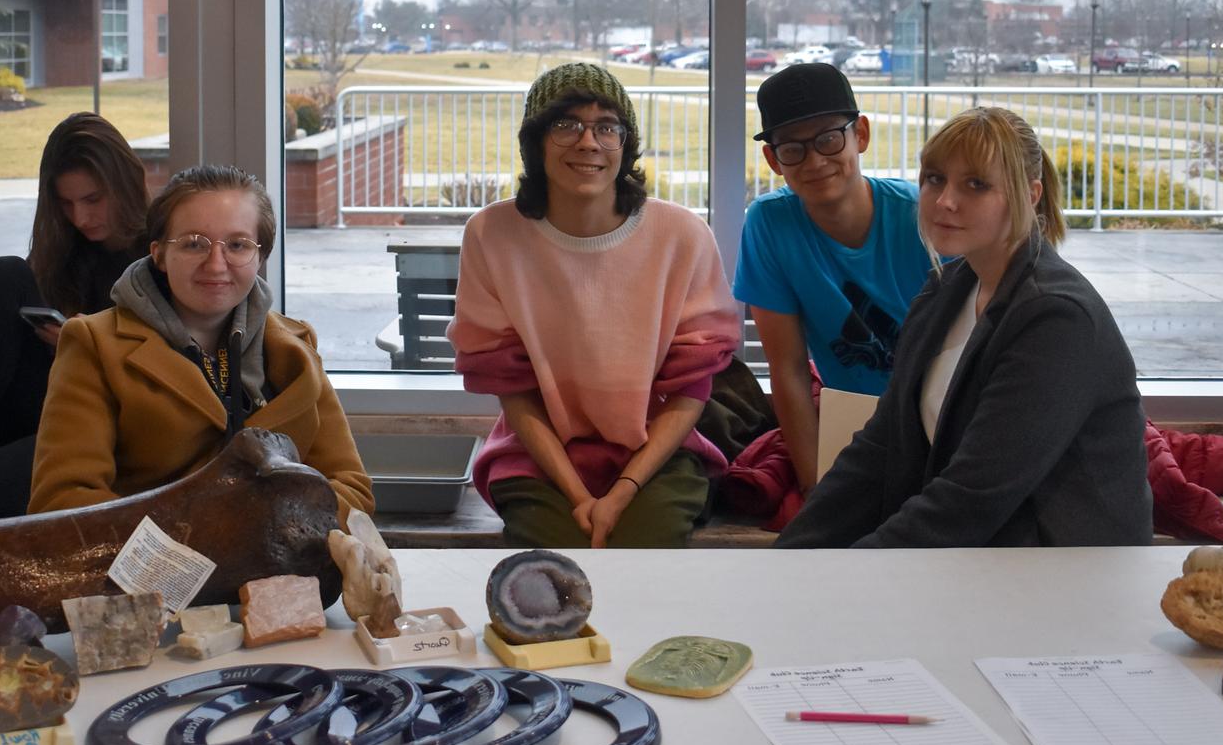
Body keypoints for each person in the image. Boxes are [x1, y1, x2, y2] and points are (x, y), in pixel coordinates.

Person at [774, 107, 1152, 548]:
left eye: (976, 184)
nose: (945, 201)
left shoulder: (1057, 318)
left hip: (1061, 571)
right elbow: (879, 449)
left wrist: (854, 571)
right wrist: (791, 558)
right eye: (934, 178)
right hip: (983, 555)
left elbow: (973, 497)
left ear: (1029, 195)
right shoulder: (945, 291)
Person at [448, 63, 742, 548]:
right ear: (536, 141)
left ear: (625, 145)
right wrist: (579, 496)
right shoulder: (493, 235)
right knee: (554, 562)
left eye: (607, 126)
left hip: (657, 451)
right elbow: (514, 391)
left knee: (647, 547)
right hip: (541, 454)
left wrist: (622, 492)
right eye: (567, 124)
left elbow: (693, 388)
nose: (589, 142)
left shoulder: (681, 236)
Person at [27, 164, 373, 526]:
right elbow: (61, 501)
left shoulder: (297, 347)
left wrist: (261, 531)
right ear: (159, 254)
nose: (216, 264)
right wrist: (207, 537)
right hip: (149, 576)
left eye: (238, 245)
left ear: (260, 256)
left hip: (276, 570)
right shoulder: (94, 345)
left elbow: (353, 490)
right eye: (194, 244)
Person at [0, 113, 149, 521]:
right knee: (2, 273)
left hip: (109, 423)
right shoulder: (63, 250)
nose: (80, 218)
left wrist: (89, 346)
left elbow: (179, 371)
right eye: (65, 203)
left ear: (124, 184)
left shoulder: (162, 251)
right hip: (40, 414)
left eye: (93, 200)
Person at [733, 64, 932, 491]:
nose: (815, 160)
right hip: (852, 426)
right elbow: (787, 369)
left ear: (860, 134)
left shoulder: (921, 217)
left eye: (828, 139)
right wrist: (815, 489)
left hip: (936, 417)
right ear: (773, 158)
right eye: (792, 148)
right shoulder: (768, 225)